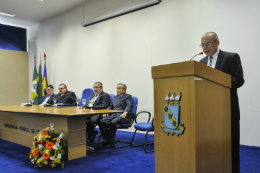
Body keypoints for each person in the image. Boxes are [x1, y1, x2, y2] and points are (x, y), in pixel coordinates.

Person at [199, 32, 244, 173]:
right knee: (212, 147)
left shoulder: (231, 57)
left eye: (208, 44)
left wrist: (216, 82)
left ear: (217, 43)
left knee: (230, 147)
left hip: (227, 111)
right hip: (209, 114)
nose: (205, 47)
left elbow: (238, 80)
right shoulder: (202, 63)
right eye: (202, 44)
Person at [98, 83, 133, 148]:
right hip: (114, 115)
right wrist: (106, 112)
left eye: (119, 88)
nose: (117, 90)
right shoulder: (114, 97)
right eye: (117, 88)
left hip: (122, 116)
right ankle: (108, 140)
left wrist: (125, 112)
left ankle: (108, 141)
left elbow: (129, 106)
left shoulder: (128, 96)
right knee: (102, 121)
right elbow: (110, 106)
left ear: (124, 90)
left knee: (113, 123)